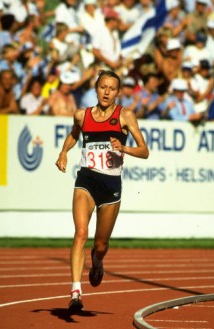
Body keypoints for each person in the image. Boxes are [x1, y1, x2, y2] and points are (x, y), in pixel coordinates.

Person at [55, 70, 149, 312]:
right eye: (103, 87)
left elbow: (145, 151)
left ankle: (97, 262)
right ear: (96, 89)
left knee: (100, 244)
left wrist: (124, 148)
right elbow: (74, 135)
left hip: (111, 186)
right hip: (86, 180)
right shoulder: (82, 115)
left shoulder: (125, 116)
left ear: (118, 92)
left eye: (112, 88)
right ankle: (75, 291)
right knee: (80, 233)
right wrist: (63, 153)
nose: (107, 92)